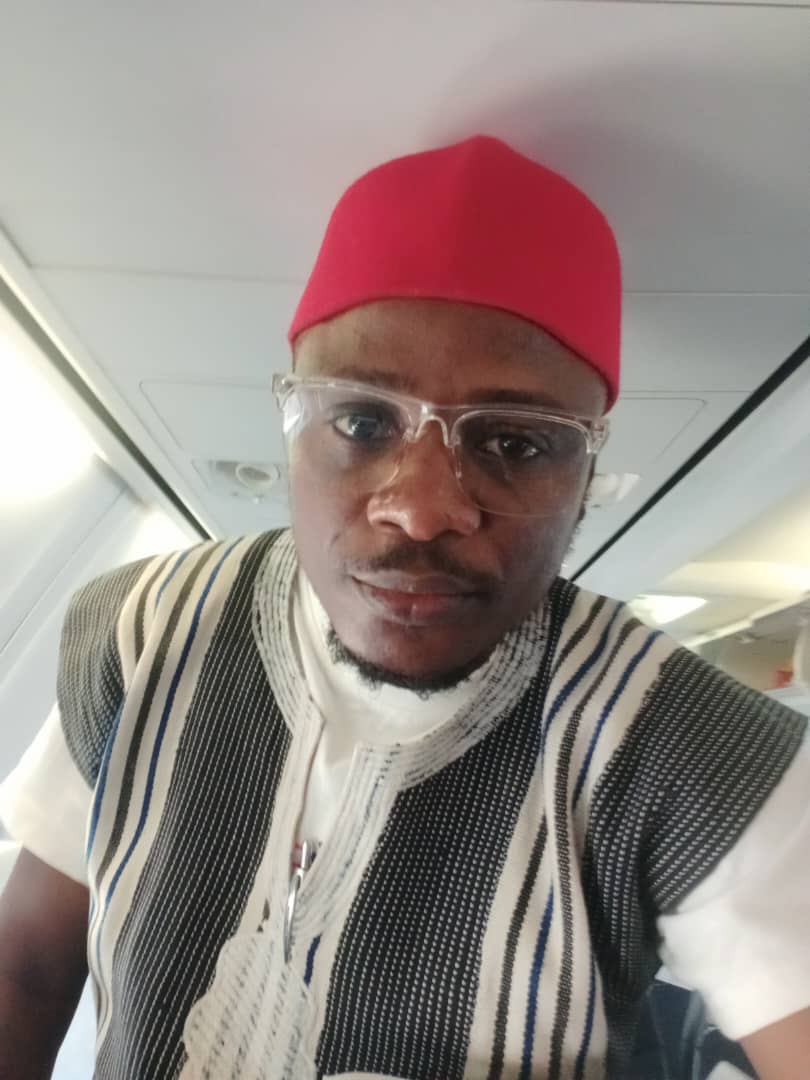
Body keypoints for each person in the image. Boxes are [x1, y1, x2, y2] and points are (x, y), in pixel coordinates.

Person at [0, 135, 808, 1080]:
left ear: (587, 472)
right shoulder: (139, 631)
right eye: (361, 420)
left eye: (516, 443)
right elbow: (27, 968)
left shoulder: (696, 749)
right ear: (291, 424)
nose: (422, 509)